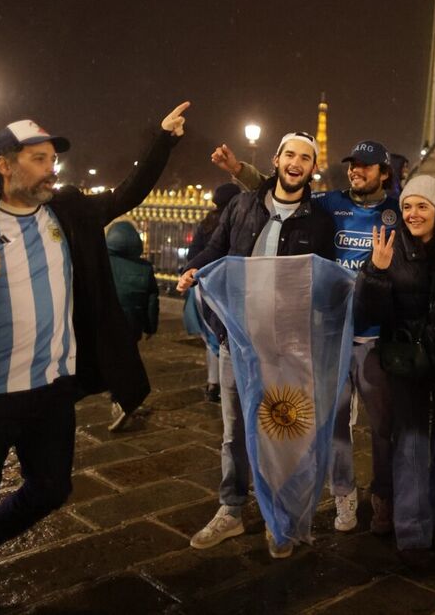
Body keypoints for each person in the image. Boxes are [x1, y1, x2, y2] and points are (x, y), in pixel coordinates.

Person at [0, 105, 187, 615]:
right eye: (39, 158)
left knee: (53, 488)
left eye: (52, 158)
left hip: (52, 389)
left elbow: (127, 193)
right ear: (5, 165)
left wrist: (161, 140)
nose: (51, 168)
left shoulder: (68, 211)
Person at [216, 139, 401, 537]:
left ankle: (383, 497)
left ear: (384, 173)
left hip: (374, 339)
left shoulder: (398, 211)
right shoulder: (330, 204)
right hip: (330, 336)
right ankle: (344, 493)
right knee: (333, 426)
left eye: (367, 167)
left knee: (384, 427)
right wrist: (238, 170)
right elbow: (280, 184)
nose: (357, 172)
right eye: (353, 165)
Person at [177, 131, 335, 559]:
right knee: (233, 433)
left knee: (278, 428)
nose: (296, 163)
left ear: (312, 167)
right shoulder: (243, 204)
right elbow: (216, 249)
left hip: (285, 345)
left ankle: (277, 513)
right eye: (290, 155)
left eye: (306, 157)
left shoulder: (319, 221)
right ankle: (231, 508)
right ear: (276, 159)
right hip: (238, 339)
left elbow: (324, 281)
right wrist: (193, 269)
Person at [354, 175, 435, 569]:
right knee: (411, 445)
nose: (413, 214)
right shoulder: (390, 248)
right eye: (407, 206)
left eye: (422, 206)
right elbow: (369, 314)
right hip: (408, 360)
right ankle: (412, 533)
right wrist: (376, 273)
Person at [186, 183, 241, 402]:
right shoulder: (235, 222)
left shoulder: (207, 223)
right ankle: (227, 385)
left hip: (205, 285)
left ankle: (212, 383)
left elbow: (195, 254)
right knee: (227, 337)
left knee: (212, 336)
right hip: (228, 286)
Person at [105, 220, 160, 431]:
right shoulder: (144, 268)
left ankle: (119, 401)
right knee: (126, 360)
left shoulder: (103, 263)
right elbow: (152, 301)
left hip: (107, 321)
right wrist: (150, 327)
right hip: (132, 323)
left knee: (111, 362)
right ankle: (122, 400)